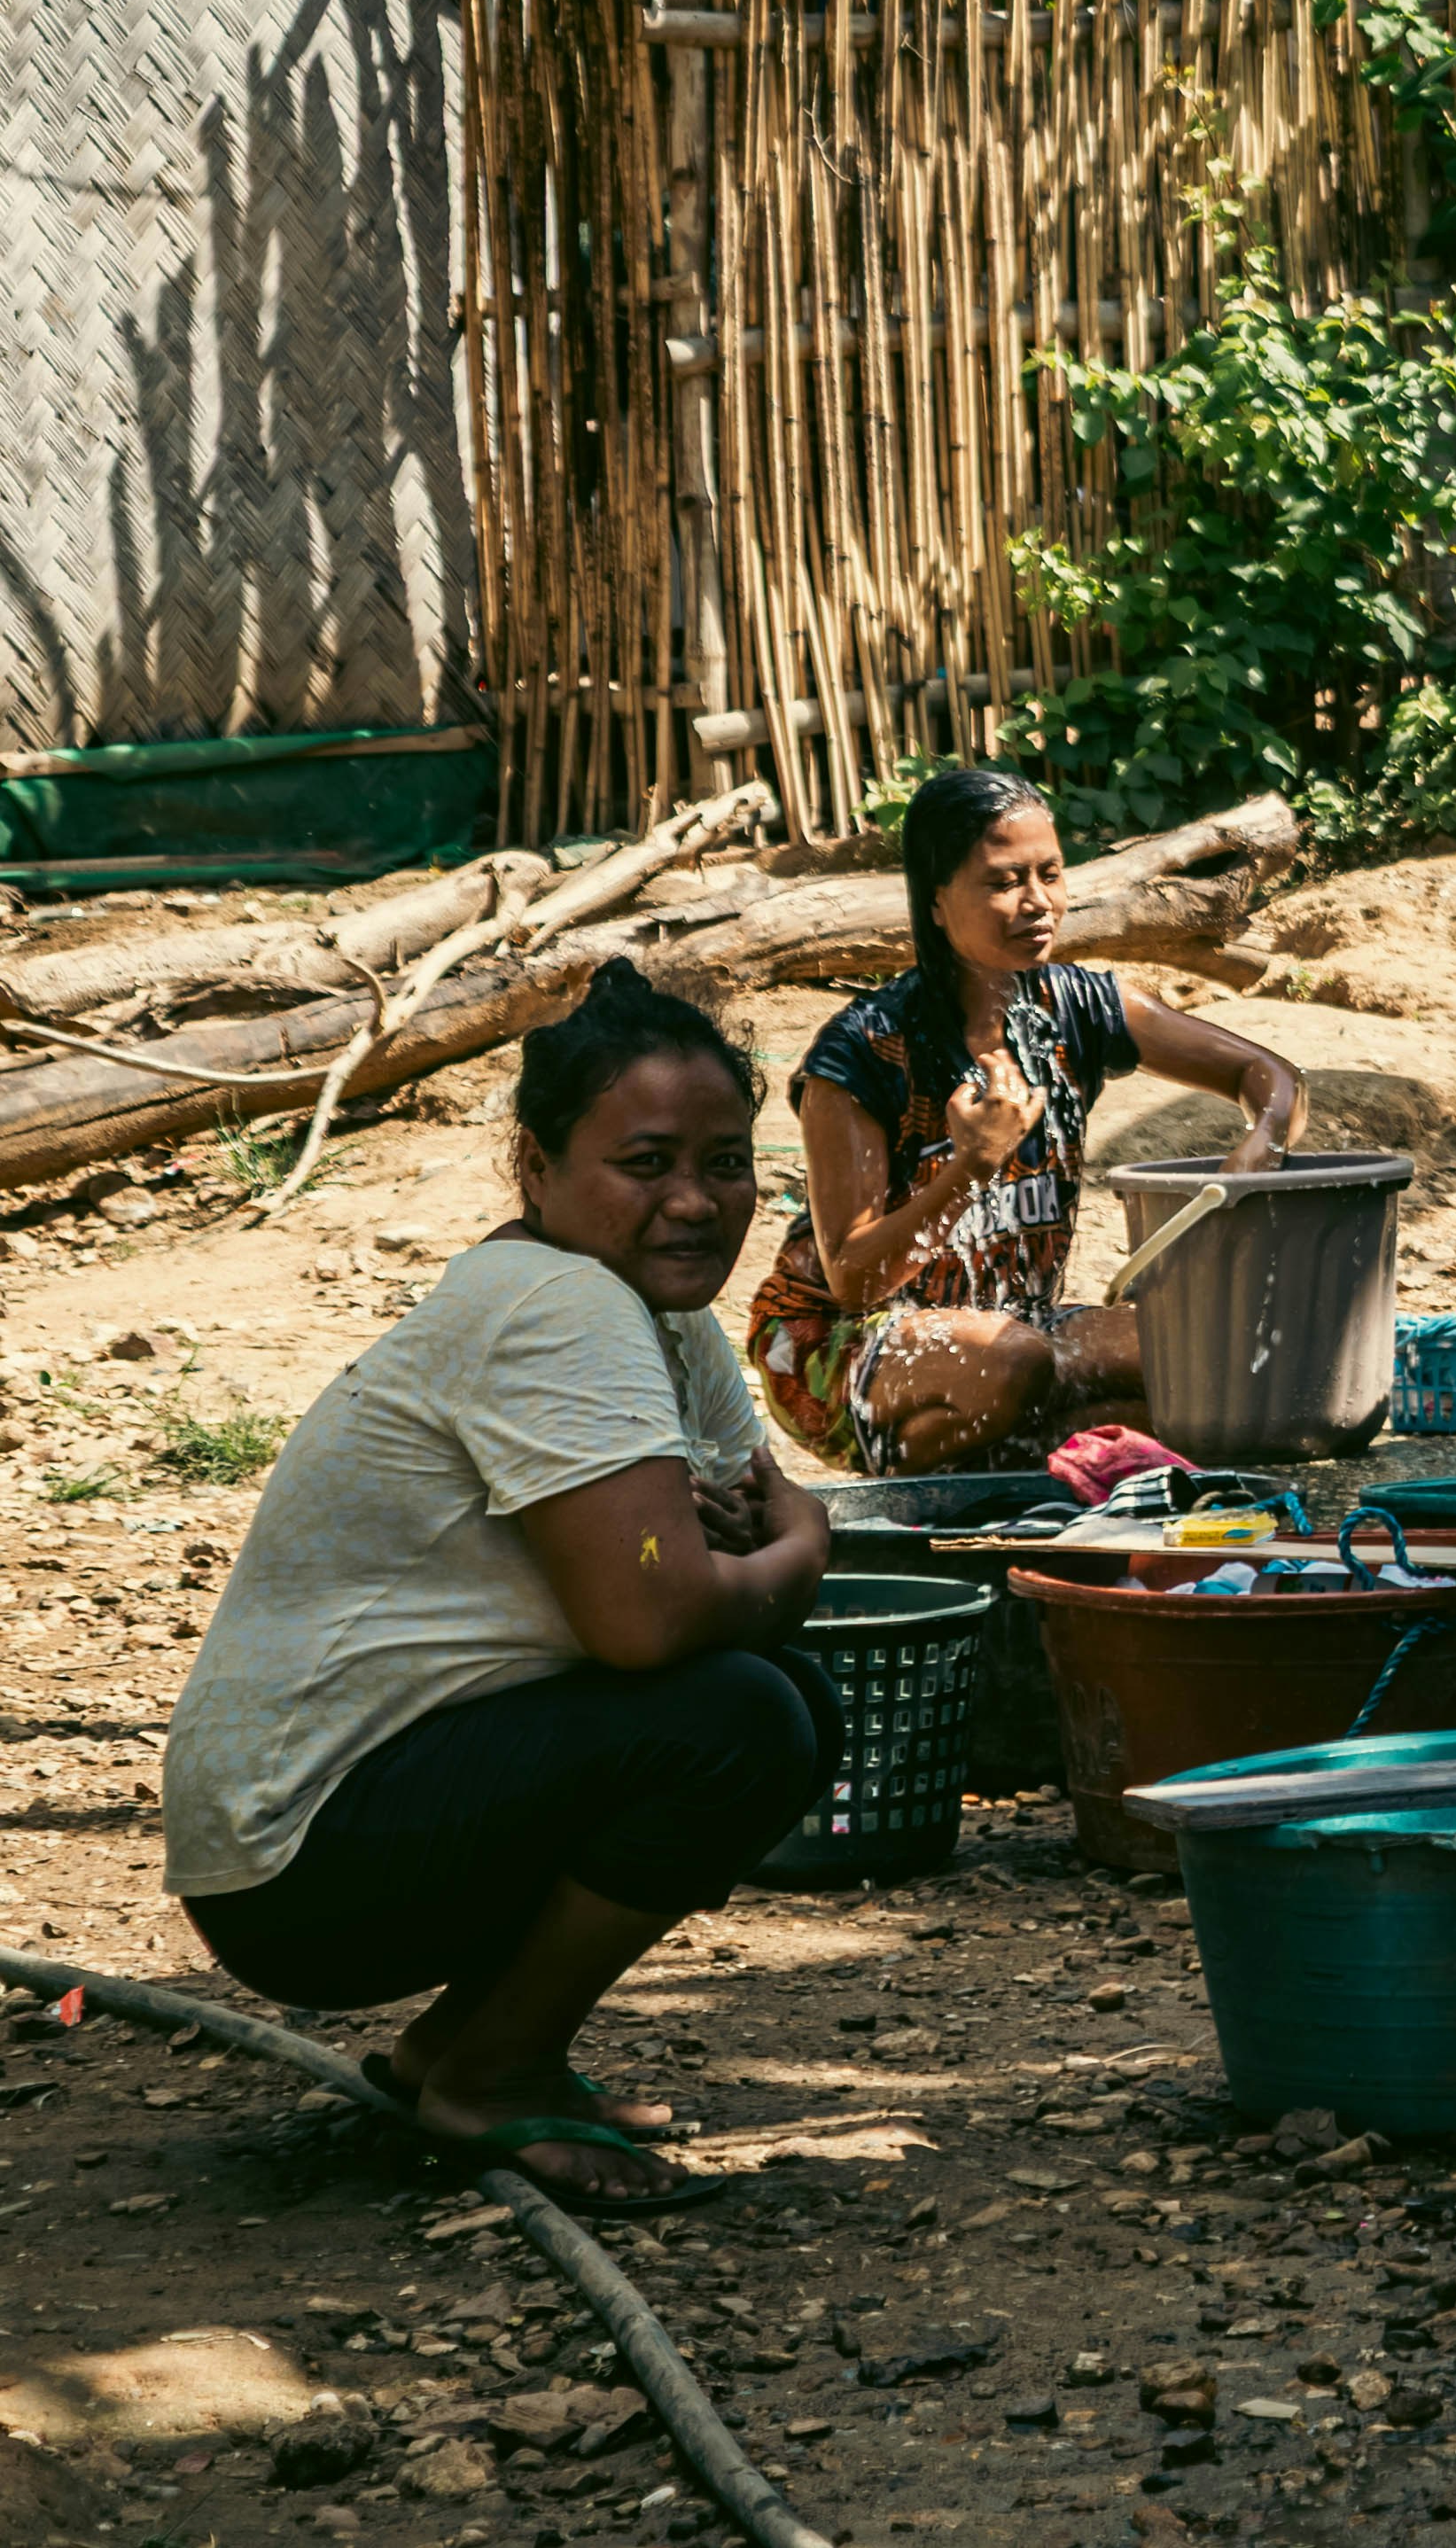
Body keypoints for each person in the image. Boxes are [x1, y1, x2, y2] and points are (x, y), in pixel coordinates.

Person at [167, 963, 836, 2209]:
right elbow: (656, 1606)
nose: (696, 1203)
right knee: (743, 1718)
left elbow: (730, 1511)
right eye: (645, 1164)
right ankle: (495, 2070)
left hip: (322, 1827)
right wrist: (802, 1552)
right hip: (301, 1860)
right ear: (536, 1164)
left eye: (727, 1164)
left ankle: (458, 2045)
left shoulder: (652, 1312)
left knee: (779, 1692)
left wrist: (747, 1548)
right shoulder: (557, 1304)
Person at [742, 768, 1309, 1474]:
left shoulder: (1079, 1007)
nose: (1038, 902)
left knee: (1203, 1362)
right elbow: (855, 1279)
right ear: (937, 900)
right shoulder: (861, 1053)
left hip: (1018, 1329)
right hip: (843, 1346)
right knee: (1014, 1363)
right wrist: (972, 1166)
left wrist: (1261, 1142)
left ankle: (1027, 1454)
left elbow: (1271, 1077)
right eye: (1004, 881)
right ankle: (947, 1482)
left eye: (1050, 874)